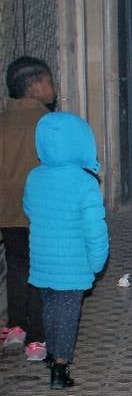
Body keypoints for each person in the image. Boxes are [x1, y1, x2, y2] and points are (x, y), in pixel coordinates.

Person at [23, 111, 108, 390]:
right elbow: (94, 228)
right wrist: (98, 261)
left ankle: (50, 353)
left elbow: (29, 209)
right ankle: (60, 365)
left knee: (49, 309)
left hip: (43, 259)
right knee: (69, 313)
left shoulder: (35, 177)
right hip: (73, 264)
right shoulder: (85, 183)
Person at [1, 57, 55, 362]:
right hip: (40, 211)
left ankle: (16, 326)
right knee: (41, 271)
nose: (52, 87)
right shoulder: (47, 124)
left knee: (17, 265)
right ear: (34, 87)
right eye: (48, 81)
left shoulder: (3, 122)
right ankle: (37, 339)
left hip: (8, 212)